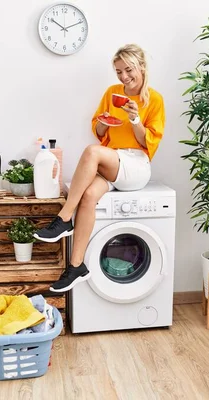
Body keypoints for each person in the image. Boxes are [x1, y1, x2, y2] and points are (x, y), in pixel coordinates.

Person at [33, 43, 165, 292]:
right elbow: (98, 131)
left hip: (135, 165)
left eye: (128, 70)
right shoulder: (112, 92)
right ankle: (76, 267)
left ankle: (63, 218)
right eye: (118, 71)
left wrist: (135, 118)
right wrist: (104, 123)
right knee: (89, 196)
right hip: (113, 163)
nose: (124, 77)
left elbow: (146, 142)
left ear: (141, 67)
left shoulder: (154, 99)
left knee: (91, 152)